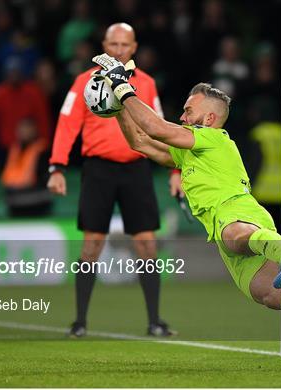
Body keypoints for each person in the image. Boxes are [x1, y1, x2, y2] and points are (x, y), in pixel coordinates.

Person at [90, 54, 281, 358]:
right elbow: (141, 142)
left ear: (209, 119)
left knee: (234, 236)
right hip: (226, 227)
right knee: (266, 293)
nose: (182, 117)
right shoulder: (190, 154)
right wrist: (118, 108)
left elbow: (155, 127)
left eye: (188, 111)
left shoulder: (211, 139)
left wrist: (121, 86)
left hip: (237, 213)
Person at [47, 23, 176, 338]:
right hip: (99, 170)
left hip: (136, 169)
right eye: (113, 44)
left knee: (146, 244)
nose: (119, 49)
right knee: (92, 245)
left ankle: (154, 321)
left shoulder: (145, 83)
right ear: (104, 45)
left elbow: (160, 128)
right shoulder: (85, 82)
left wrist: (176, 169)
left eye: (125, 44)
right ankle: (79, 322)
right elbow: (67, 123)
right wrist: (57, 167)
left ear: (133, 48)